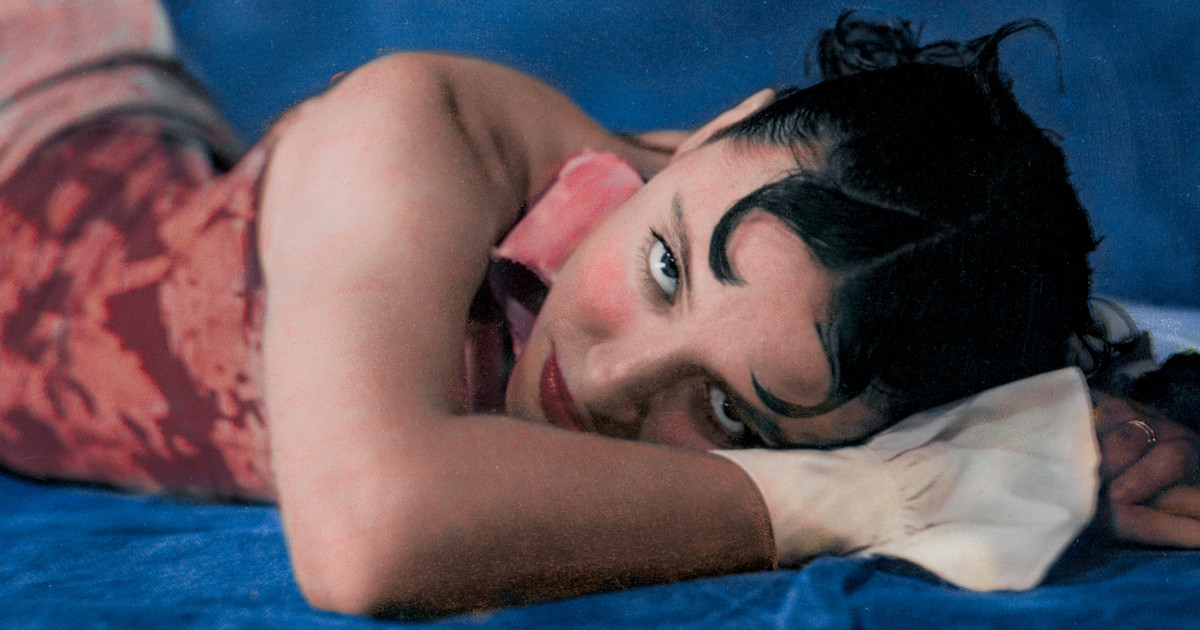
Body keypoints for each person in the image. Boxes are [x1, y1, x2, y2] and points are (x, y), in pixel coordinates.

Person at [0, 0, 1197, 618]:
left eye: (728, 416)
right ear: (717, 129)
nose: (614, 383)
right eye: (667, 269)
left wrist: (1049, 421)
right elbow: (370, 538)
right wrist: (897, 493)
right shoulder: (416, 129)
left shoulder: (820, 310)